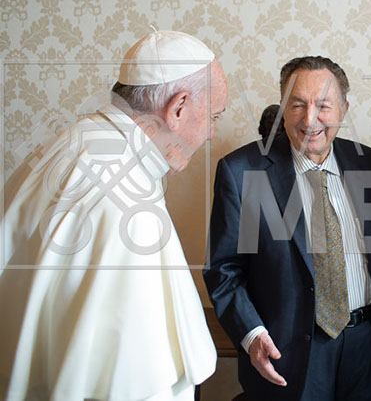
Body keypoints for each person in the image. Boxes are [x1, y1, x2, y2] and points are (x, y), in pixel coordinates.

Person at [204, 56, 371, 400]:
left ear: (343, 109)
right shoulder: (241, 171)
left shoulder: (370, 164)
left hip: (367, 345)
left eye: (323, 105)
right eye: (297, 105)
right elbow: (224, 269)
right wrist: (251, 333)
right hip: (288, 351)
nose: (309, 119)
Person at [0, 29, 229, 400]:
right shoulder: (127, 207)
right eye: (213, 117)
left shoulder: (70, 143)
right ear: (178, 108)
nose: (211, 134)